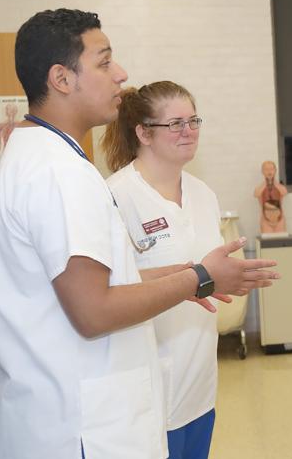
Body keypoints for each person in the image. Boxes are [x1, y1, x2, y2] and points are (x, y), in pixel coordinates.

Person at [0, 8, 278, 459]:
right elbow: (93, 310)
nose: (121, 74)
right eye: (105, 62)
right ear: (61, 79)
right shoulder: (61, 174)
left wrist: (192, 272)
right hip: (82, 428)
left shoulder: (35, 158)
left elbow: (92, 286)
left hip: (61, 414)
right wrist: (200, 278)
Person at [100, 80, 224, 459]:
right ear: (143, 133)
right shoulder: (115, 196)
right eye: (175, 124)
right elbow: (104, 291)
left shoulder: (204, 195)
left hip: (199, 384)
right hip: (144, 391)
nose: (188, 131)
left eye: (193, 120)